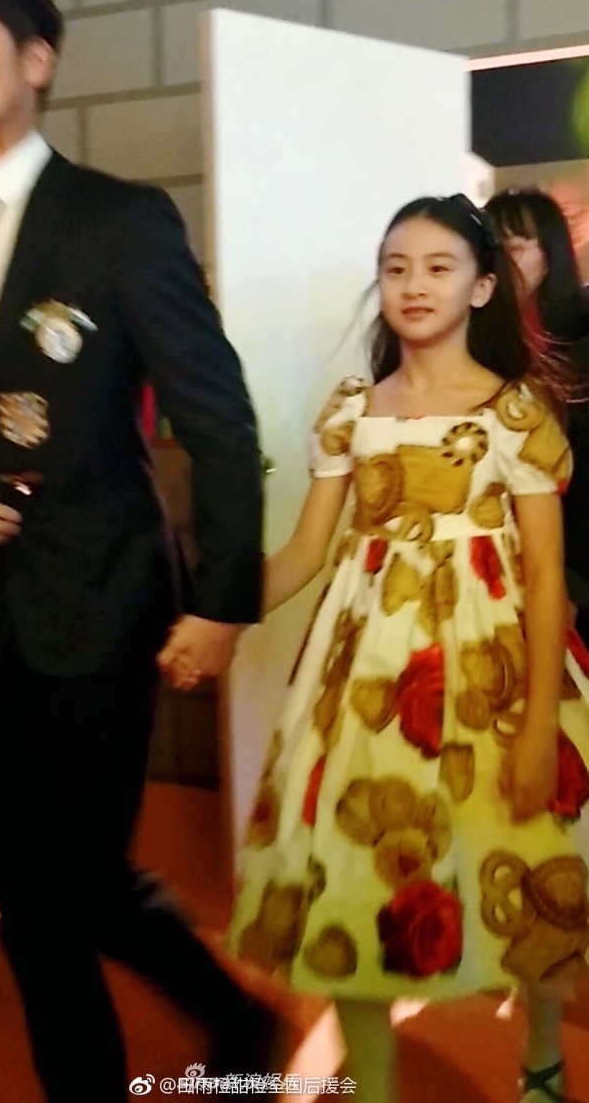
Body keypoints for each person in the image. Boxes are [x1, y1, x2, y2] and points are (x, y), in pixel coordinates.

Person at [0, 0, 279, 1102]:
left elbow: (218, 421)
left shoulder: (117, 220)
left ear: (37, 57)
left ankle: (229, 1017)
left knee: (70, 888)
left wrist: (224, 603)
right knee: (39, 895)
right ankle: (215, 1023)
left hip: (100, 607)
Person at [229, 193, 589, 1103]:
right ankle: (374, 1084)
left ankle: (541, 1051)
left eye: (437, 267)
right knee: (356, 865)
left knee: (527, 858)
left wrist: (539, 725)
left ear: (481, 287)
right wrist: (212, 609)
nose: (414, 285)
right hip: (364, 680)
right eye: (396, 268)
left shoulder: (516, 412)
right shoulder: (352, 410)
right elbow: (306, 552)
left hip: (495, 671)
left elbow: (547, 576)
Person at [485, 187, 589, 647]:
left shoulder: (579, 342)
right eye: (493, 246)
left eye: (518, 245)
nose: (503, 259)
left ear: (551, 256)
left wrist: (574, 584)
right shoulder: (473, 345)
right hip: (492, 559)